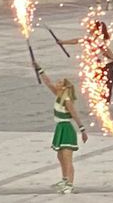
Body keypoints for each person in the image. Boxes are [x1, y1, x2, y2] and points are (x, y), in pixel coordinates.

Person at [32, 58, 88, 195]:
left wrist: (82, 130)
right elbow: (48, 82)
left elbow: (74, 115)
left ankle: (70, 184)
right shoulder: (58, 95)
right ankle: (64, 179)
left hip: (67, 129)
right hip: (60, 128)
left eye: (60, 83)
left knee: (67, 158)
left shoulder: (67, 100)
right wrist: (39, 69)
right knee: (60, 156)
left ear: (64, 87)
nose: (56, 83)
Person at [57, 19, 113, 100]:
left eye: (92, 27)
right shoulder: (90, 38)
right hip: (99, 64)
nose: (89, 28)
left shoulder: (98, 39)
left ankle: (104, 101)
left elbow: (107, 51)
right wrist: (63, 42)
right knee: (97, 83)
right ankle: (100, 99)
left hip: (108, 64)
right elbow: (77, 40)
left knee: (106, 84)